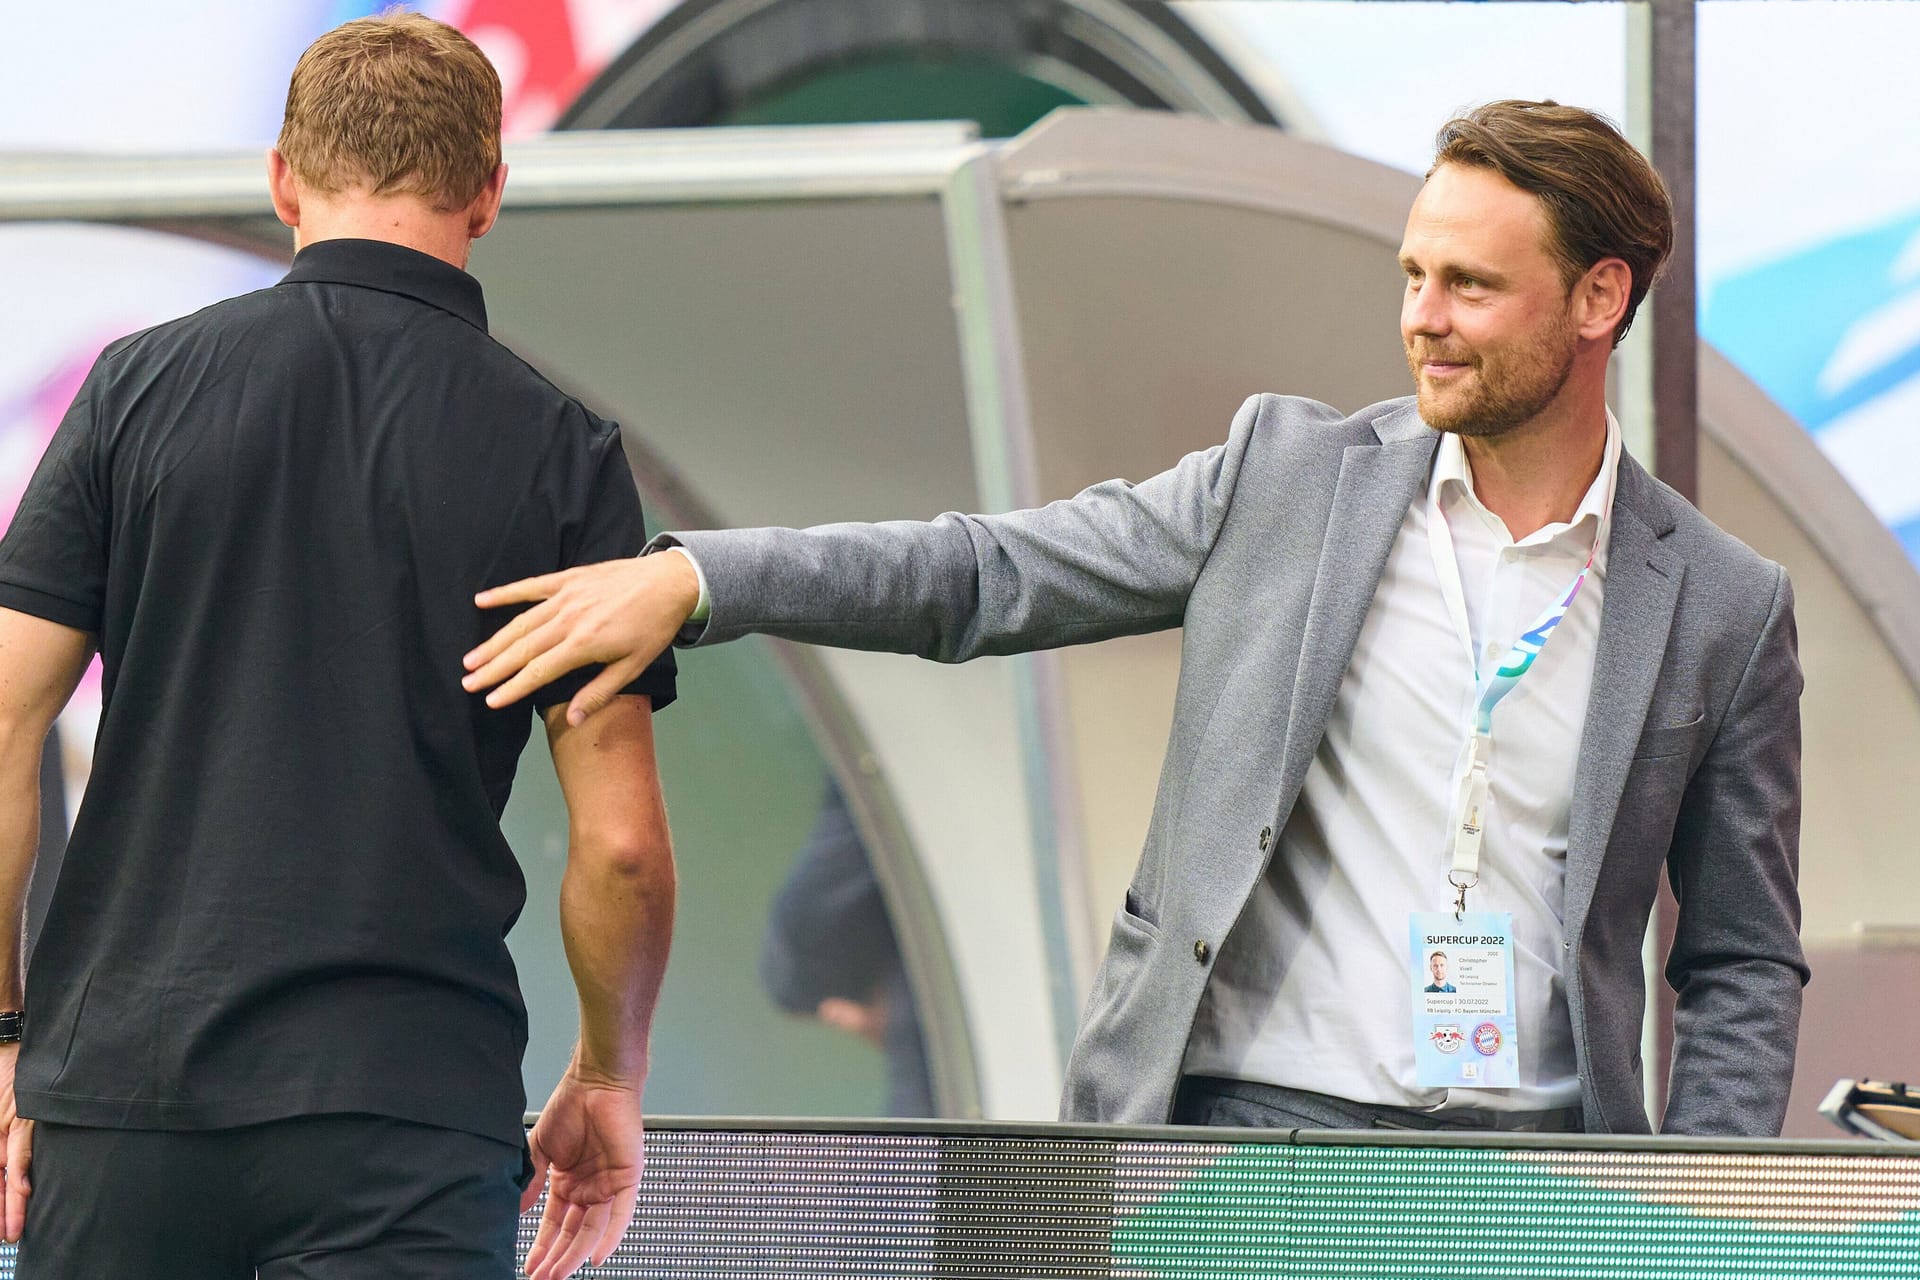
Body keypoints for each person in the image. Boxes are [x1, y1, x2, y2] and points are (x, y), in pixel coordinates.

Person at [462, 101, 1806, 1137]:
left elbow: (1742, 960)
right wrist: (701, 579)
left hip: (1539, 1175)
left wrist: (1679, 1204)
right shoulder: (1284, 478)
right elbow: (983, 572)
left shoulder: (1726, 609)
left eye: (1468, 286)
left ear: (1599, 299)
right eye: (1412, 275)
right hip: (1236, 1146)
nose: (1421, 321)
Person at [0, 15, 678, 1279]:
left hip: (124, 1097)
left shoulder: (131, 392)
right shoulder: (561, 453)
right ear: (489, 194)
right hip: (407, 1114)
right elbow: (624, 844)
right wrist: (608, 1070)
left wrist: (3, 1031)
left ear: (282, 178)